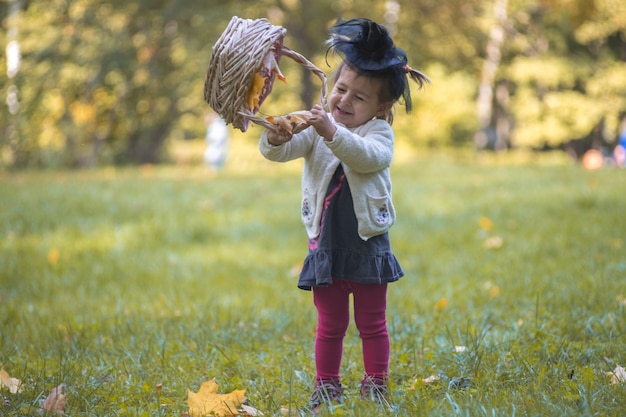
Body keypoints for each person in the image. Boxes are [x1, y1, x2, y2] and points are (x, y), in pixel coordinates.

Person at [258, 18, 429, 413]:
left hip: (367, 244)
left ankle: (376, 385)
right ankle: (327, 386)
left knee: (372, 324)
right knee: (329, 324)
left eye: (359, 98)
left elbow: (367, 159)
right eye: (341, 89)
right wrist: (276, 136)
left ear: (382, 107)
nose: (344, 101)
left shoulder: (377, 134)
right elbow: (281, 151)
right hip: (327, 246)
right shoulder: (319, 123)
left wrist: (331, 132)